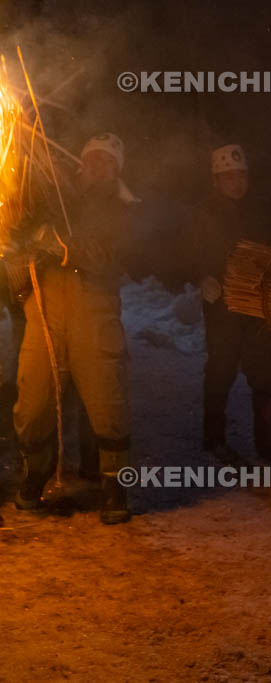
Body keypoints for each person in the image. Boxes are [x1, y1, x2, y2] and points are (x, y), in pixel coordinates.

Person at [13, 132, 138, 524]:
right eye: (94, 158)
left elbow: (107, 253)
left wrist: (62, 247)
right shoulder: (53, 196)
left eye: (108, 161)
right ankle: (35, 473)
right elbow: (20, 235)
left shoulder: (125, 207)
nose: (99, 166)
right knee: (32, 401)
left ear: (117, 169)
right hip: (46, 310)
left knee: (107, 401)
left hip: (94, 312)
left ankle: (114, 485)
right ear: (81, 161)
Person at [188, 144, 271, 462]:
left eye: (241, 176)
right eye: (229, 177)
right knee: (221, 368)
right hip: (223, 306)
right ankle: (214, 436)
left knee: (265, 372)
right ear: (216, 180)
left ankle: (267, 442)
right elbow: (188, 254)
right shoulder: (204, 213)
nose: (237, 183)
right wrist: (202, 276)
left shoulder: (260, 210)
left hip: (258, 305)